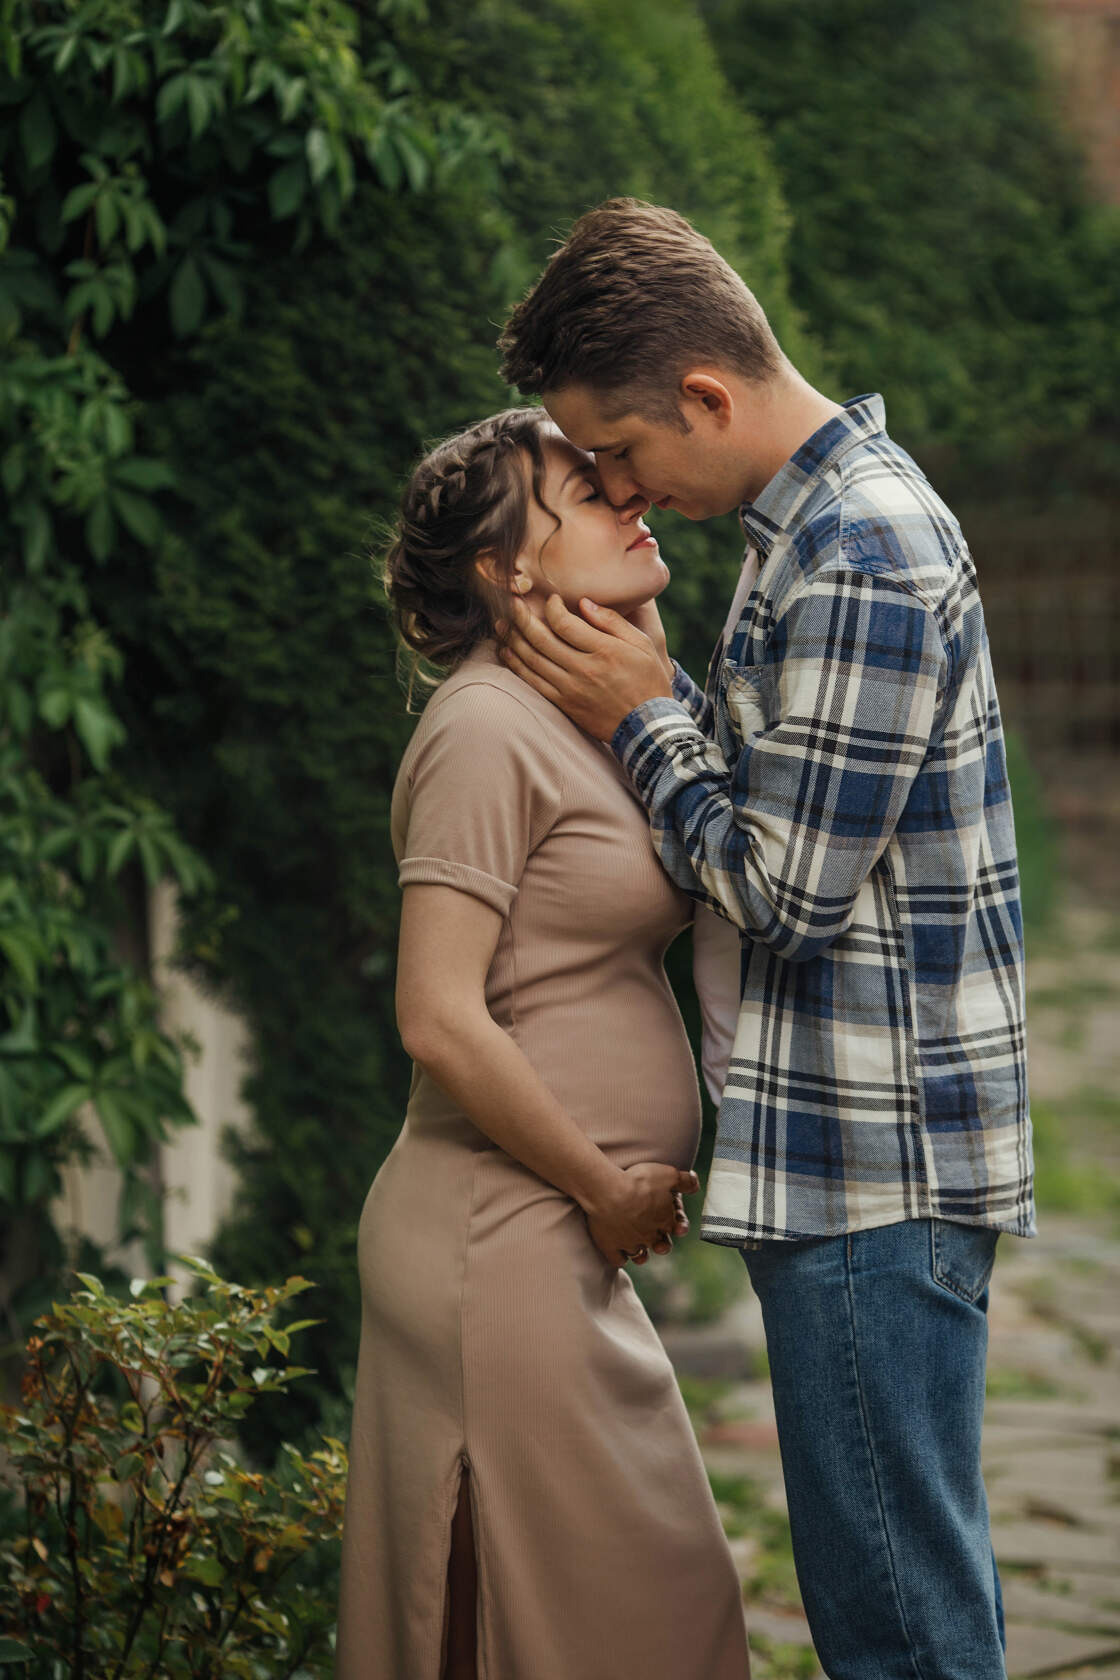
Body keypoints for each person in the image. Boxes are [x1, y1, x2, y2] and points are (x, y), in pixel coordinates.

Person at [497, 198, 1034, 1679]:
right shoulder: (802, 529)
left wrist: (639, 715)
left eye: (620, 452)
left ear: (708, 396)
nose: (625, 489)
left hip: (873, 1171)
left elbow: (785, 885)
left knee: (898, 1630)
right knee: (903, 1589)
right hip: (839, 1156)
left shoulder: (857, 551)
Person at [333, 406, 752, 1680]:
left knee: (592, 1621)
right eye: (585, 492)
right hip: (495, 1238)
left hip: (551, 1245)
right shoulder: (479, 729)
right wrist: (602, 1185)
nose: (628, 497)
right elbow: (437, 1015)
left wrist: (648, 656)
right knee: (620, 1618)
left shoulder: (585, 716)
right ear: (506, 570)